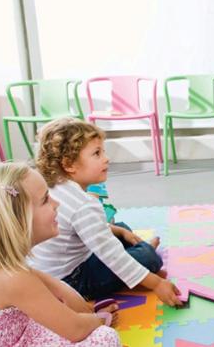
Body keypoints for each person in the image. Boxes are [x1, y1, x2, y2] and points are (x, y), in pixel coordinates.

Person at [0, 163, 121, 346]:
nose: (57, 203)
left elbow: (74, 306)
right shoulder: (13, 279)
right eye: (45, 199)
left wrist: (39, 277)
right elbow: (77, 328)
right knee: (105, 337)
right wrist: (97, 321)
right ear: (15, 223)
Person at [30, 118, 181, 306]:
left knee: (121, 228)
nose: (106, 158)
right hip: (72, 281)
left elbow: (81, 228)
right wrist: (157, 283)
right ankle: (144, 252)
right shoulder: (83, 205)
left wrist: (117, 231)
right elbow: (112, 256)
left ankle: (135, 249)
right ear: (69, 164)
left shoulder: (55, 188)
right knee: (149, 258)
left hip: (52, 273)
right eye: (97, 153)